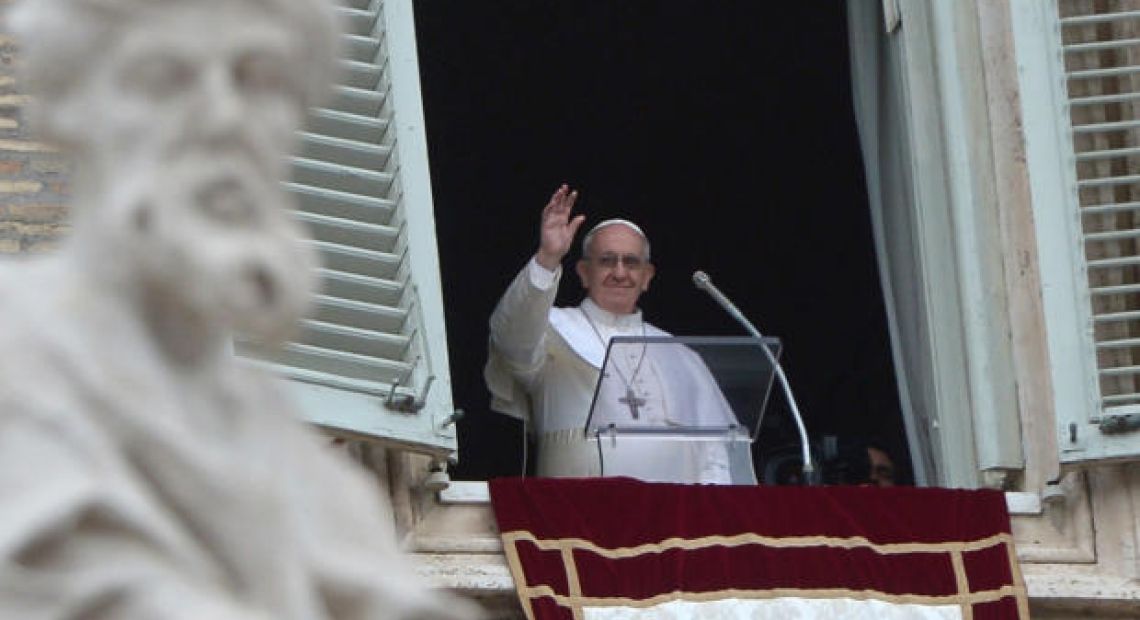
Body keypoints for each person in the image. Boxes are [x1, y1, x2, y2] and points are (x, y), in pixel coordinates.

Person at [0, 0, 472, 617]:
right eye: (165, 75)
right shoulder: (17, 348)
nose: (223, 117)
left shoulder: (288, 451)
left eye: (259, 78)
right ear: (67, 103)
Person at [485, 185, 749, 484]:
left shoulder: (681, 355)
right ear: (584, 272)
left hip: (674, 522)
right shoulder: (553, 330)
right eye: (607, 261)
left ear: (647, 277)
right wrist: (548, 257)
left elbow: (716, 451)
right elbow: (511, 337)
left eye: (631, 262)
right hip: (577, 516)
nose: (620, 273)